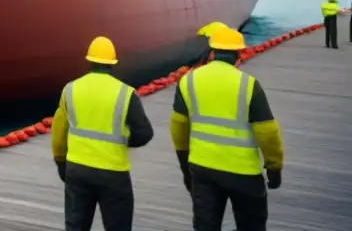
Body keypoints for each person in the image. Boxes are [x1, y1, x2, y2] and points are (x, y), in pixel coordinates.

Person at [171, 26, 283, 231]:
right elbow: (268, 132)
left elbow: (178, 127)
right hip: (243, 173)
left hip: (202, 168)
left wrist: (185, 166)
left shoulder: (188, 81)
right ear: (239, 54)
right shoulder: (249, 85)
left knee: (206, 226)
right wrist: (274, 167)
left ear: (212, 53)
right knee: (251, 226)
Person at [51, 36, 154, 231]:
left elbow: (58, 132)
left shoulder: (71, 89)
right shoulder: (126, 94)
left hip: (77, 170)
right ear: (112, 64)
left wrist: (61, 163)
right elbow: (145, 133)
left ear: (89, 61)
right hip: (113, 173)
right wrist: (123, 141)